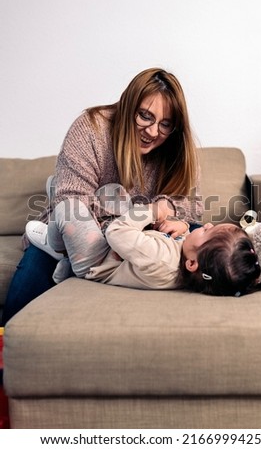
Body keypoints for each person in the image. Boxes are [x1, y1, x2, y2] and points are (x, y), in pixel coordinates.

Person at [2, 68, 203, 325]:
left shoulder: (176, 147)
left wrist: (175, 214)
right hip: (88, 231)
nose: (153, 132)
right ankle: (7, 346)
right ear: (128, 105)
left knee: (205, 241)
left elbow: (193, 204)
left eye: (165, 124)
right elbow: (73, 202)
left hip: (136, 236)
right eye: (145, 116)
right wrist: (132, 220)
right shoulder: (92, 127)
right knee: (42, 259)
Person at [26, 196, 261, 296]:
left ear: (192, 263)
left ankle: (56, 245)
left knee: (69, 207)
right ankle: (68, 261)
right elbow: (178, 244)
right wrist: (183, 227)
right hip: (115, 255)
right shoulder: (188, 264)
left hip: (97, 262)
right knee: (115, 194)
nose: (207, 224)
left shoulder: (160, 258)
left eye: (208, 231)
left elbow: (115, 232)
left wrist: (154, 211)